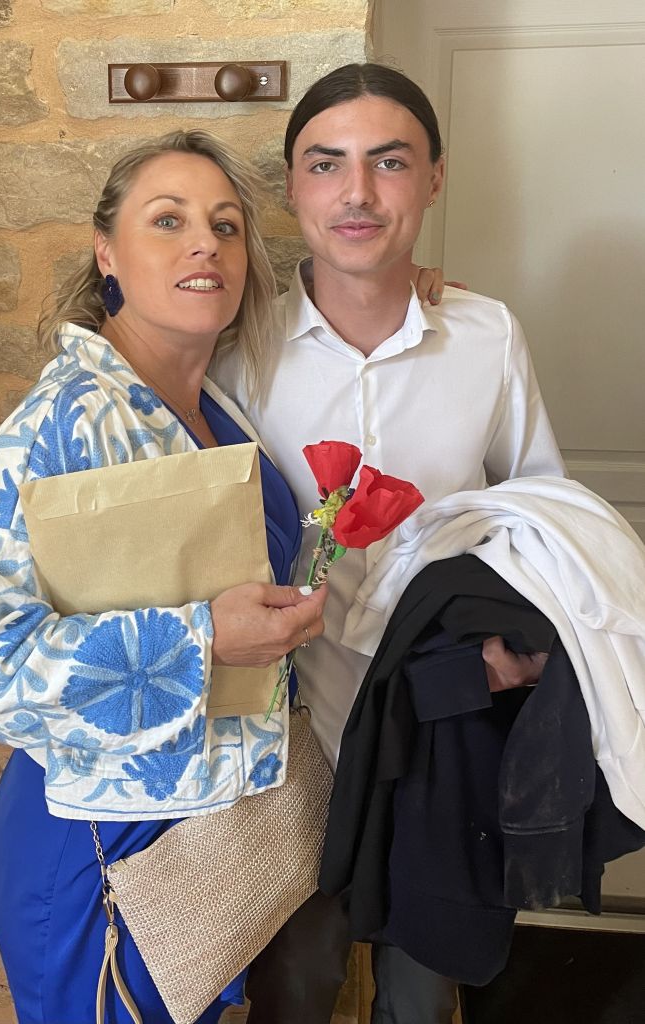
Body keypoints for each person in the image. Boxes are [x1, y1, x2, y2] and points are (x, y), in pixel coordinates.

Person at [0, 129, 331, 1024]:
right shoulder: (57, 428)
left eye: (225, 226)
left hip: (213, 841)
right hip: (102, 856)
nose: (204, 244)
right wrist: (202, 640)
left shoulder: (214, 403)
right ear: (106, 251)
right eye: (168, 220)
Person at [212, 63, 567, 1024]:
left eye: (390, 161)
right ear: (293, 184)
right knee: (293, 989)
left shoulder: (486, 336)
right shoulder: (234, 346)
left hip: (441, 730)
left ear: (434, 178)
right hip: (287, 744)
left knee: (422, 989)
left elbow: (542, 515)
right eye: (326, 163)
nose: (357, 193)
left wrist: (514, 657)